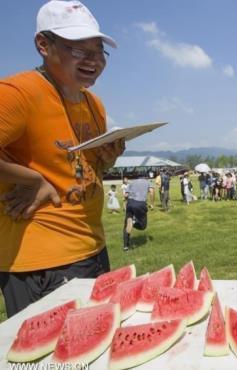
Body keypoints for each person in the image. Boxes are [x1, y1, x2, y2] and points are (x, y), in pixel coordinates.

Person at [0, 0, 123, 317]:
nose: (93, 61)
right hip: (41, 260)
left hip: (92, 248)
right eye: (79, 51)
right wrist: (31, 179)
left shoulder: (94, 103)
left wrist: (106, 161)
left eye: (99, 52)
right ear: (43, 44)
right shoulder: (18, 92)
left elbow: (79, 170)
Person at [123, 176, 152, 251]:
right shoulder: (148, 182)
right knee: (143, 226)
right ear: (145, 177)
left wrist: (127, 202)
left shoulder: (131, 182)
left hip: (130, 203)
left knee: (126, 225)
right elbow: (151, 191)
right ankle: (134, 222)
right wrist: (152, 204)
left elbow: (125, 195)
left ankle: (126, 246)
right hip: (140, 204)